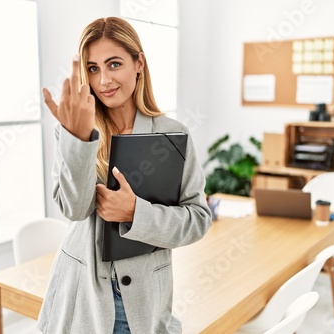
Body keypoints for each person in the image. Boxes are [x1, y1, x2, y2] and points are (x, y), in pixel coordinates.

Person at [37, 17, 212, 334]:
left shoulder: (172, 134)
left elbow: (198, 218)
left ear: (138, 63)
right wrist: (78, 139)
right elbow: (74, 209)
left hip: (143, 298)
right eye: (92, 68)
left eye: (113, 63)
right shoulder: (75, 129)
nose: (103, 80)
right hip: (84, 297)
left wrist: (135, 213)